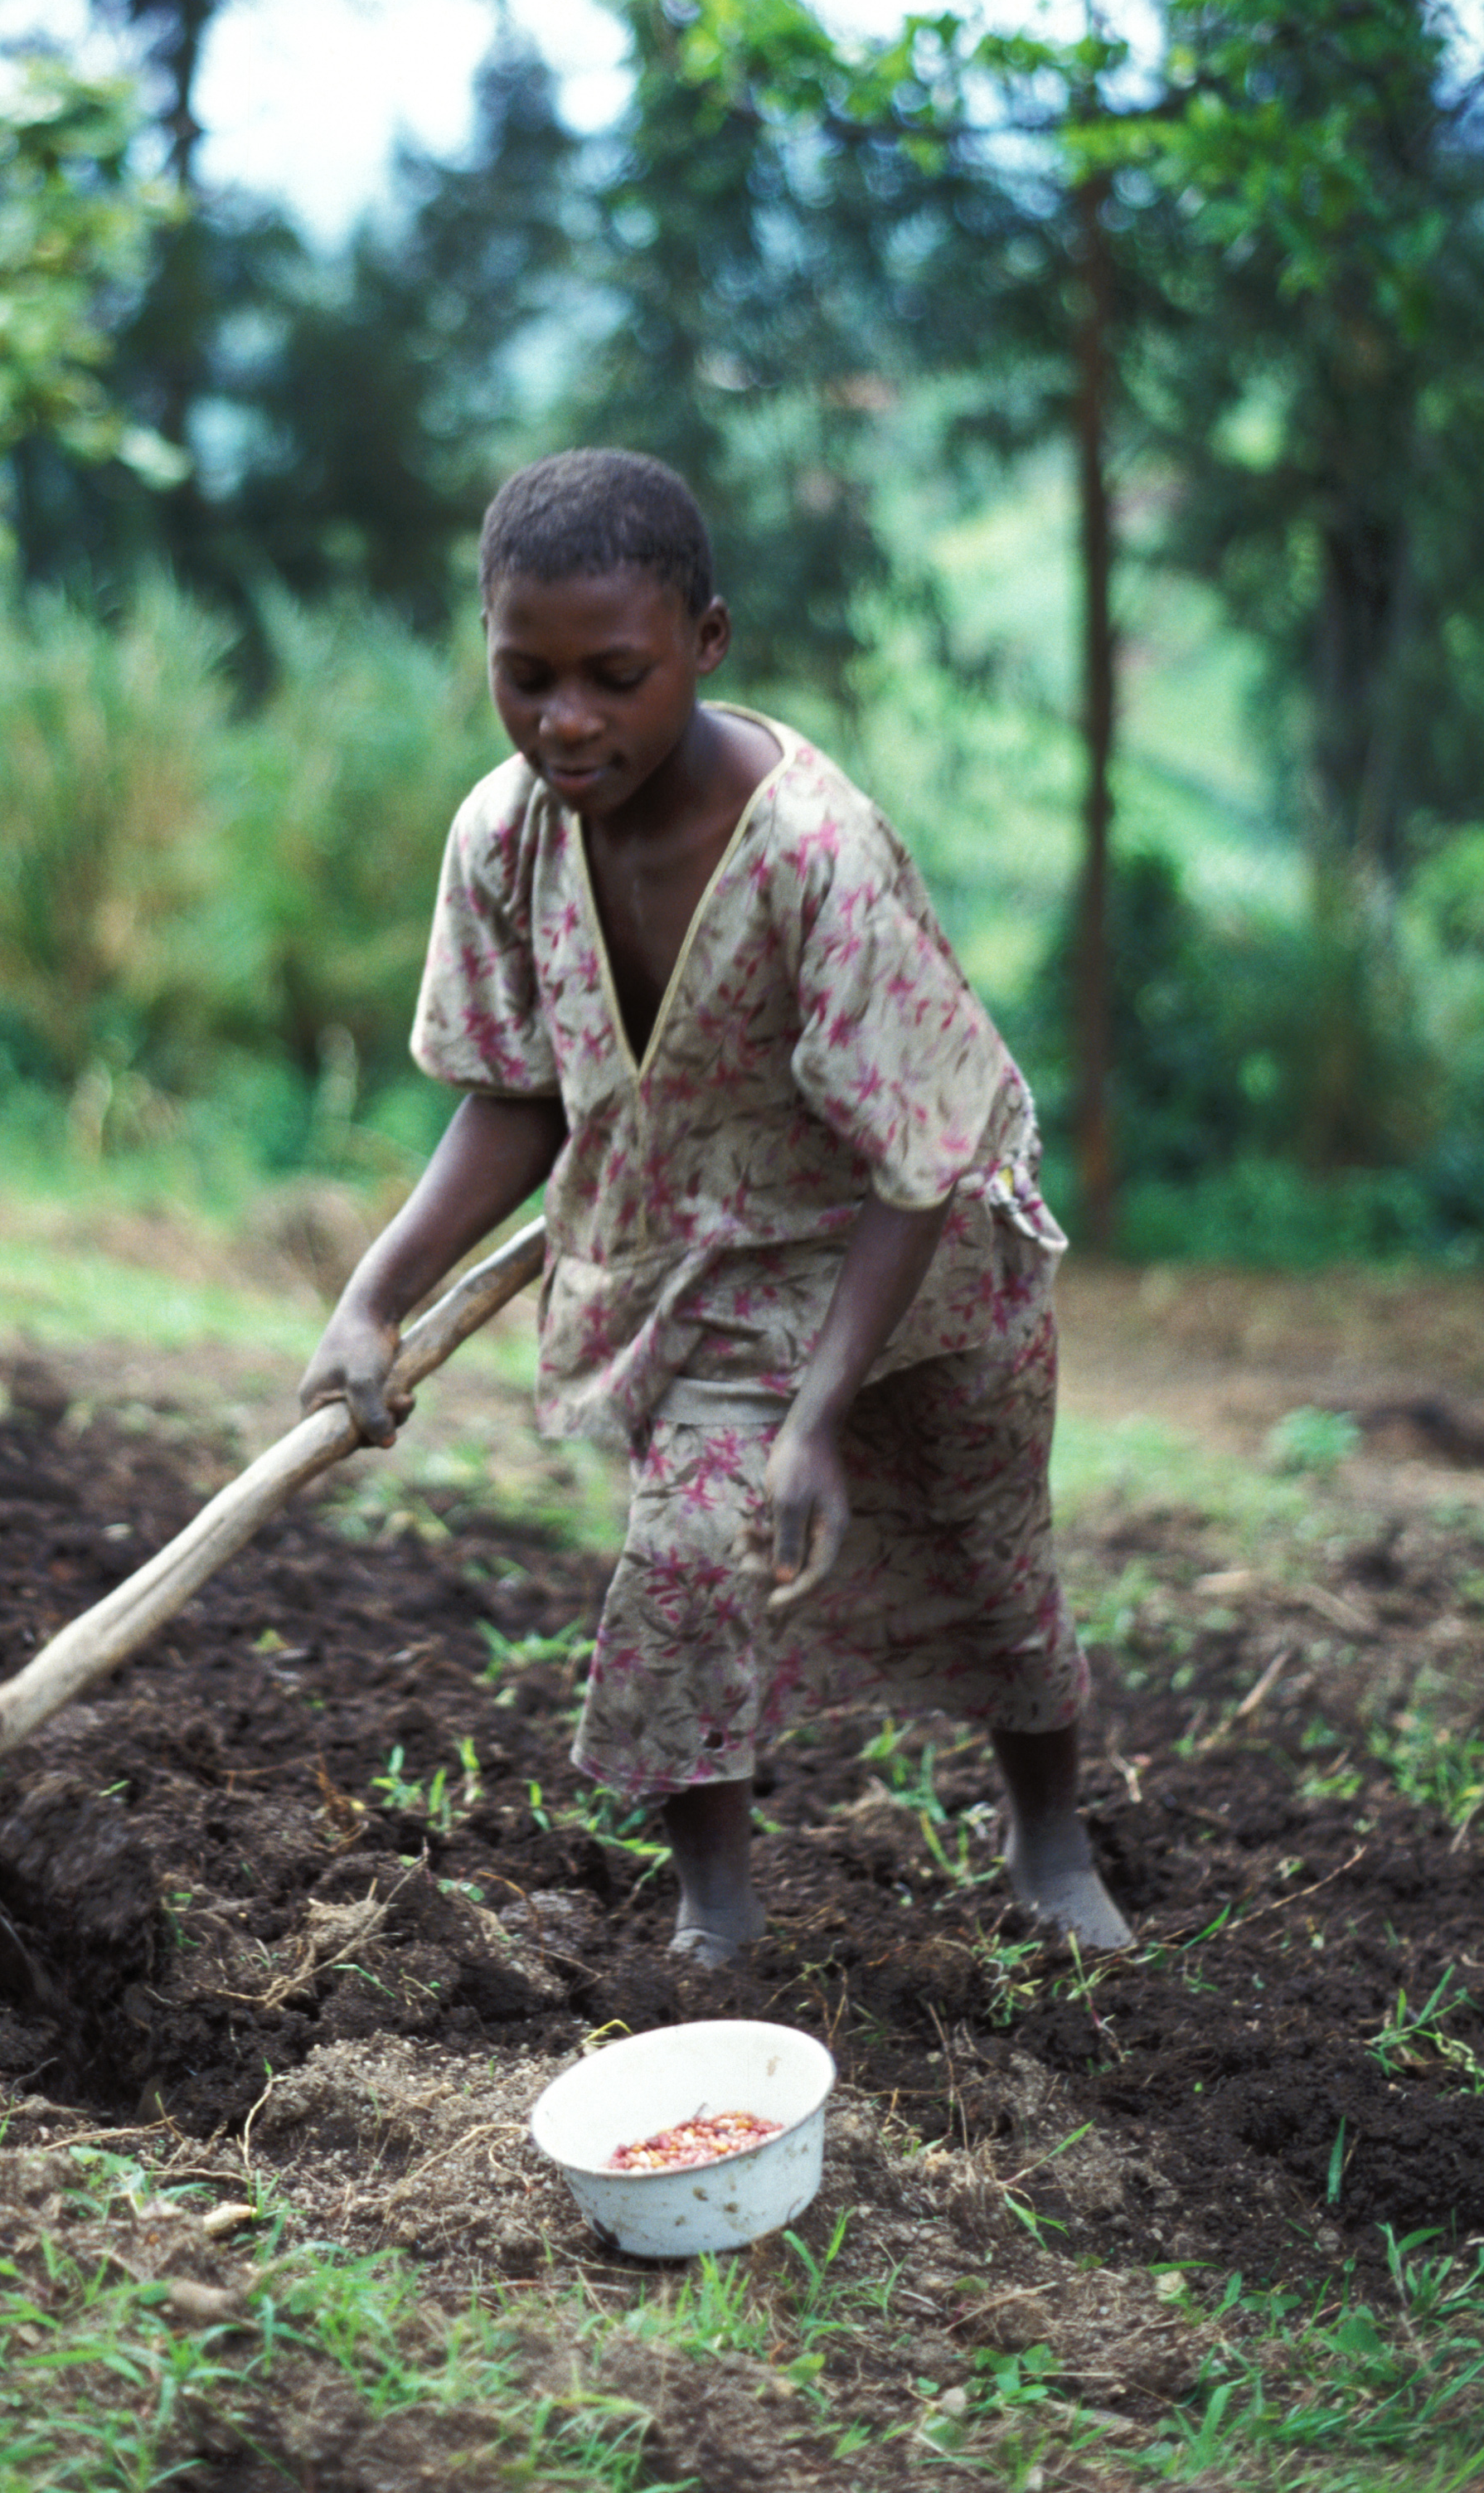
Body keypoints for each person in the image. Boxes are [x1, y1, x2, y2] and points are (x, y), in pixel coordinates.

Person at [298, 448, 1129, 1965]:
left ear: (706, 642)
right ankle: (717, 1907)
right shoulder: (504, 835)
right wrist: (374, 1295)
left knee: (988, 1551)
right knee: (686, 1553)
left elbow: (914, 1160)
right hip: (708, 1257)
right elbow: (519, 1095)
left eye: (614, 676)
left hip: (920, 1234)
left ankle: (1049, 1834)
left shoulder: (814, 850)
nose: (565, 719)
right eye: (526, 676)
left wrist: (817, 1416)